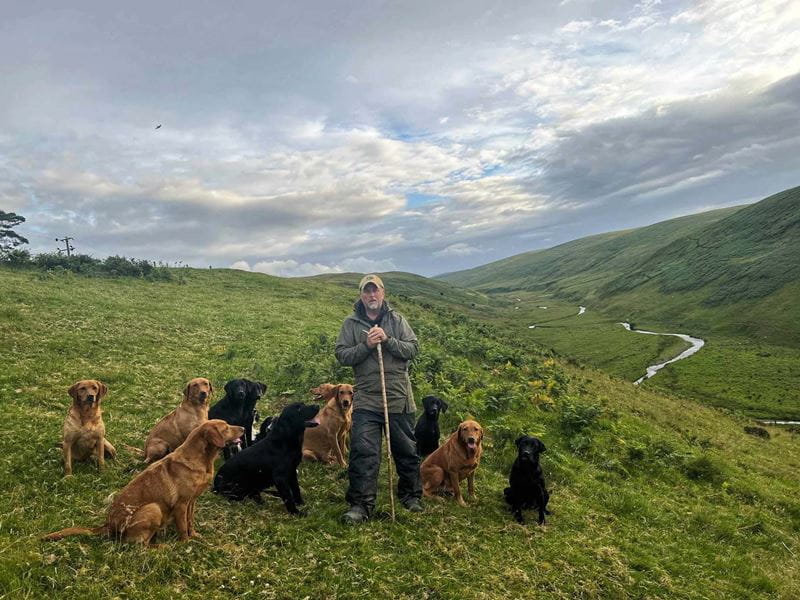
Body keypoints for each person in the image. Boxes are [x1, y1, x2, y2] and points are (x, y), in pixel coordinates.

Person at [335, 274, 423, 523]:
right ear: (361, 295)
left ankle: (411, 496)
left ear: (383, 293)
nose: (371, 296)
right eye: (367, 292)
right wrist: (366, 345)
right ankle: (360, 505)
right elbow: (342, 355)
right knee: (363, 451)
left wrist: (388, 340)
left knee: (406, 450)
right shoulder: (351, 324)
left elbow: (413, 349)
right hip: (366, 398)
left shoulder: (397, 320)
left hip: (398, 396)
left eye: (375, 291)